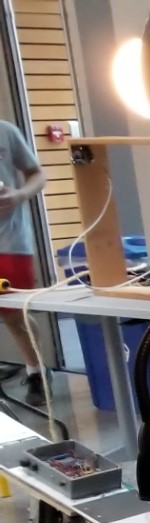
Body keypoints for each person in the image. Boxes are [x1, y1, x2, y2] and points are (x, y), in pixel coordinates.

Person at [0, 120, 47, 406]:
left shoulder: (5, 131)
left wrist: (19, 195)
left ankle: (36, 373)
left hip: (10, 240)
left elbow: (37, 174)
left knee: (14, 313)